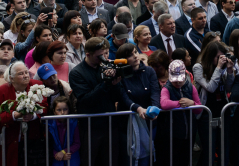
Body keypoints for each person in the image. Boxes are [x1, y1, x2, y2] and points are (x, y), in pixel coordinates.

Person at [69, 37, 147, 166]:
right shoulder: (77, 73)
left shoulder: (108, 66)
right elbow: (86, 100)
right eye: (100, 56)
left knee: (111, 161)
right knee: (90, 161)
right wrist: (106, 84)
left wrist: (115, 83)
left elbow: (118, 96)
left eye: (106, 54)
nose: (104, 58)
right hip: (90, 127)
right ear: (88, 54)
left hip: (110, 125)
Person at [0, 61, 48, 166]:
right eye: (21, 73)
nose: (25, 76)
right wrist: (14, 115)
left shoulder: (38, 85)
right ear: (11, 78)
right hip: (12, 139)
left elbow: (44, 106)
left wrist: (33, 115)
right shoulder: (0, 92)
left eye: (26, 72)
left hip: (33, 138)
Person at [115, 43, 160, 166]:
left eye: (135, 52)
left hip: (149, 120)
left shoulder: (149, 70)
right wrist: (138, 109)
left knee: (147, 156)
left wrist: (154, 108)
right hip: (128, 123)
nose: (135, 56)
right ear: (122, 60)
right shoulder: (120, 75)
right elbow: (124, 97)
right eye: (130, 55)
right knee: (129, 157)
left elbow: (155, 91)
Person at [46, 96, 81, 166]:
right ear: (54, 111)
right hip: (56, 157)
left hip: (71, 156)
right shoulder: (49, 125)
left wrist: (64, 152)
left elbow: (77, 143)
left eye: (65, 109)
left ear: (69, 110)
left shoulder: (73, 123)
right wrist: (57, 154)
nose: (62, 112)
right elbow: (48, 144)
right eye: (59, 110)